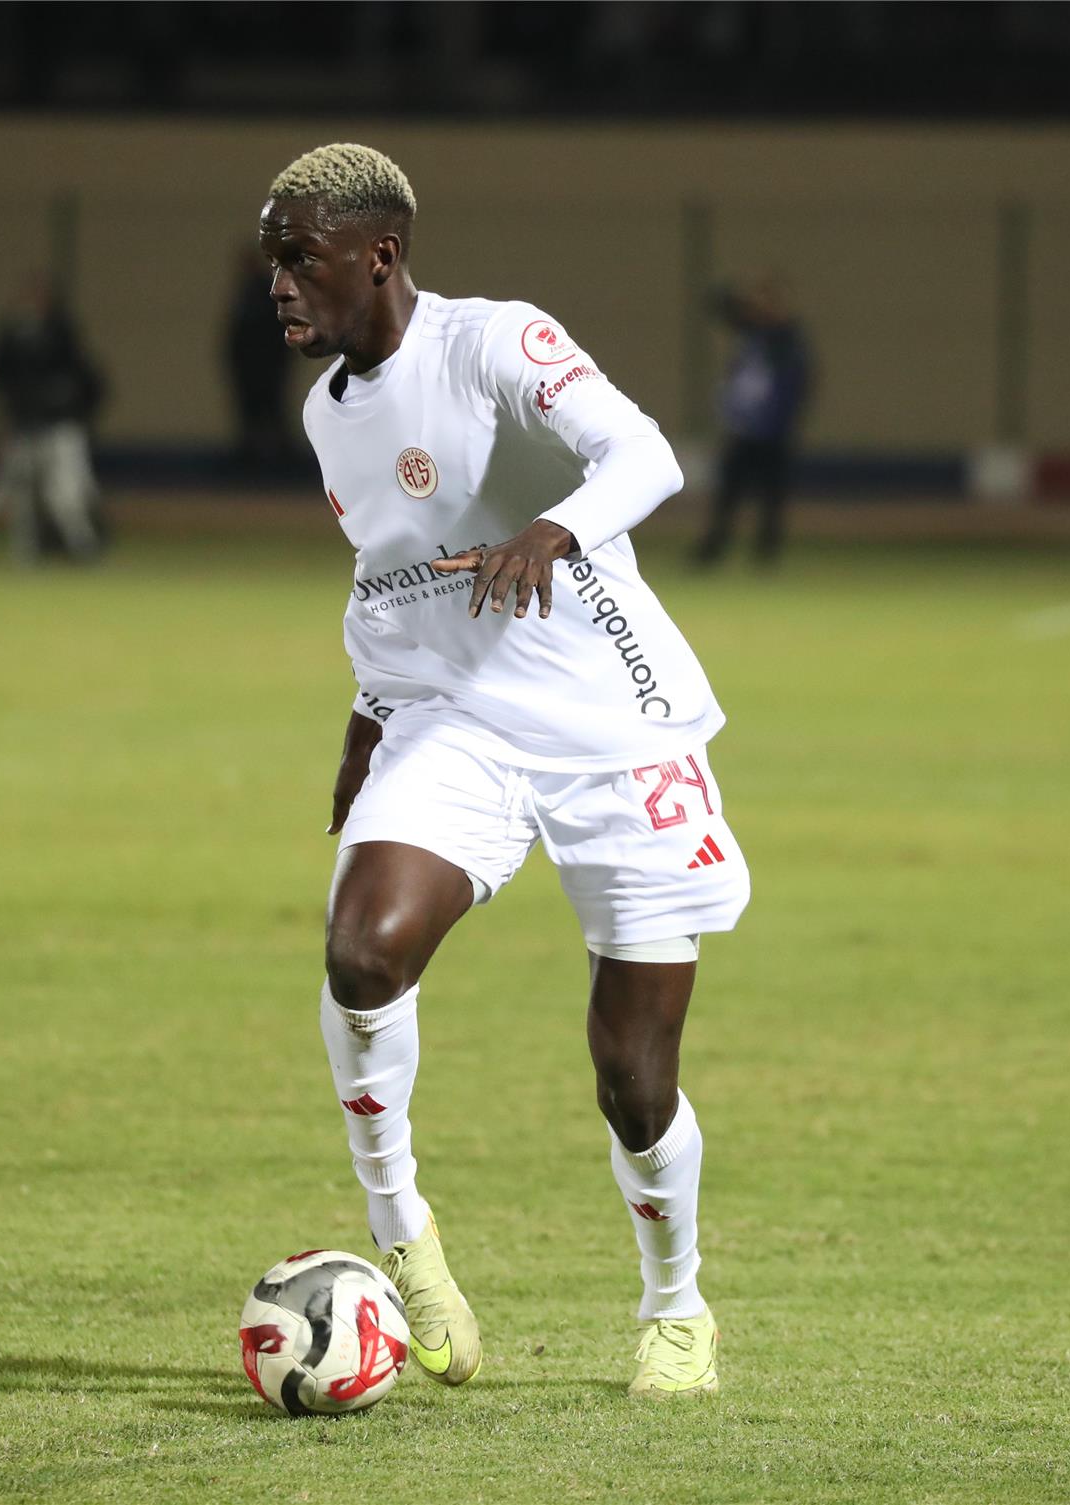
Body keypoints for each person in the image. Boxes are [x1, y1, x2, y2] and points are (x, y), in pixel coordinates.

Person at [259, 143, 749, 1398]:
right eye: (273, 261)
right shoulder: (326, 415)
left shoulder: (494, 342)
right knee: (363, 949)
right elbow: (392, 576)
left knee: (634, 1075)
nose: (280, 285)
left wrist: (554, 526)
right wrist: (369, 711)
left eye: (301, 258)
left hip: (616, 728)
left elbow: (646, 455)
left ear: (380, 255)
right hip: (457, 720)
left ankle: (676, 1304)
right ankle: (405, 1238)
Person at [0, 275, 109, 563]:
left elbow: (87, 381)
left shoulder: (61, 335)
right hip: (23, 424)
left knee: (64, 491)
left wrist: (68, 406)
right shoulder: (11, 336)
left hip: (58, 425)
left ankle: (82, 545)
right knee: (7, 486)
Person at [692, 276, 812, 567]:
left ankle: (766, 553)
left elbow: (795, 384)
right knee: (729, 494)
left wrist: (780, 421)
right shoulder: (754, 336)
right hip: (744, 430)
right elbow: (726, 308)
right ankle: (713, 550)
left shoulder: (786, 340)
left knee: (771, 496)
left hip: (772, 432)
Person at [224, 244, 294, 471]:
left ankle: (282, 461)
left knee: (271, 411)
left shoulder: (269, 296)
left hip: (265, 367)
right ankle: (255, 458)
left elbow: (276, 333)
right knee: (254, 413)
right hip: (249, 367)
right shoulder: (248, 294)